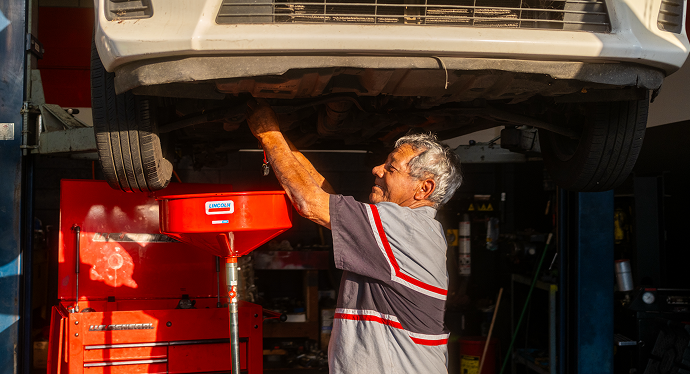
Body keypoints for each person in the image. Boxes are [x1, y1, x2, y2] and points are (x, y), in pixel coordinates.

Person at [246, 99, 463, 374]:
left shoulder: (403, 227)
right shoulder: (413, 228)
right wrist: (278, 140)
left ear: (424, 188)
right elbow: (326, 196)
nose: (377, 169)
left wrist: (267, 133)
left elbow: (311, 203)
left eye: (391, 168)